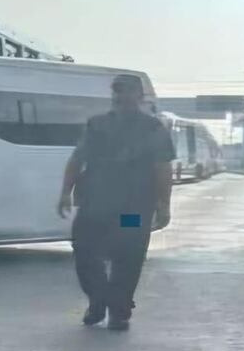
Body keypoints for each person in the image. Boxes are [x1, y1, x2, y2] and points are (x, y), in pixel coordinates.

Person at [57, 74, 175, 331]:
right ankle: (98, 301)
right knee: (84, 252)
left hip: (132, 209)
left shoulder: (153, 129)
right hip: (95, 205)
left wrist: (164, 204)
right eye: (117, 91)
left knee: (128, 257)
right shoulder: (97, 124)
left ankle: (119, 311)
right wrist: (66, 191)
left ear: (140, 97)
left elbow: (162, 168)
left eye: (127, 91)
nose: (121, 96)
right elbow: (78, 159)